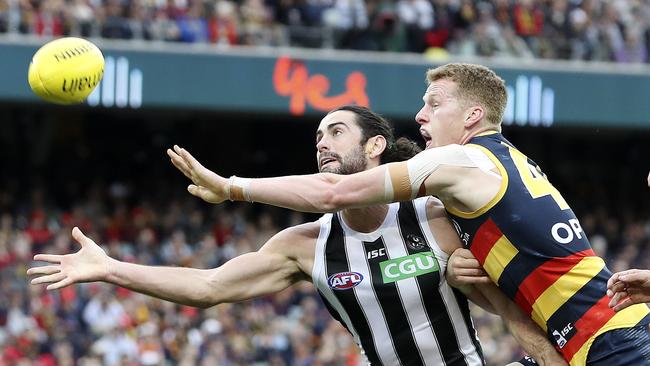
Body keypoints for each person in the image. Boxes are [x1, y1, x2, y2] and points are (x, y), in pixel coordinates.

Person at [166, 64, 650, 366]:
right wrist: (471, 271)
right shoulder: (502, 163)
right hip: (600, 332)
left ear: (472, 116)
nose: (420, 117)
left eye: (433, 104)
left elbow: (336, 192)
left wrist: (232, 187)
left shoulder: (458, 161)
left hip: (608, 339)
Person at [29, 106, 564, 365]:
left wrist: (478, 275)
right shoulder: (306, 245)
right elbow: (209, 287)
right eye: (317, 137)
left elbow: (513, 304)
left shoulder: (432, 215)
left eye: (336, 132)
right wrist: (110, 269)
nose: (323, 144)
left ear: (375, 146)